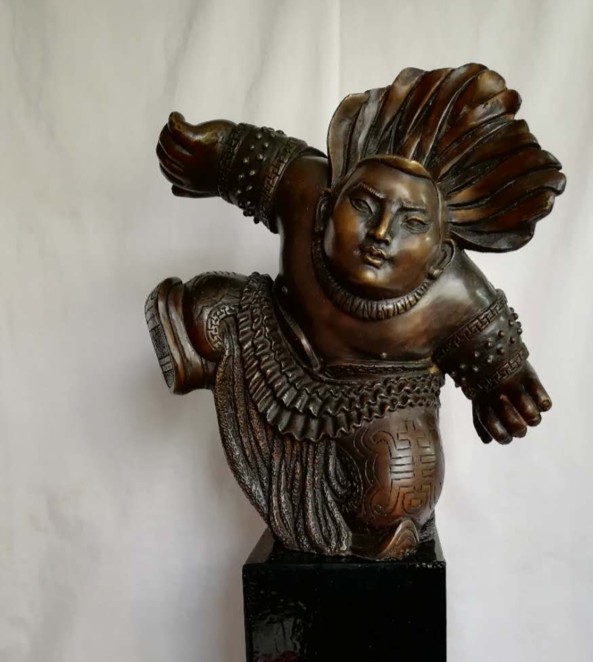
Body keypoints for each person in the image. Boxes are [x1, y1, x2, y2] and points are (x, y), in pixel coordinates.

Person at [146, 64, 565, 559]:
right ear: (327, 208)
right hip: (281, 342)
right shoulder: (304, 188)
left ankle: (372, 529)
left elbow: (496, 355)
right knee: (209, 308)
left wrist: (502, 384)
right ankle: (201, 358)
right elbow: (249, 157)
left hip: (385, 395)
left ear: (440, 254)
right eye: (364, 207)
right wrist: (211, 154)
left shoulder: (456, 291)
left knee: (399, 492)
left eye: (412, 223)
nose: (381, 233)